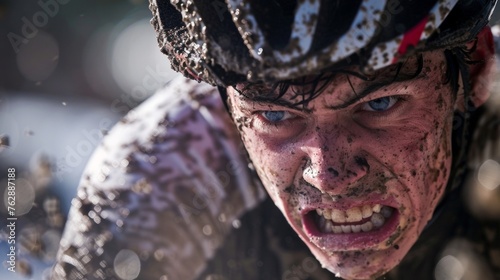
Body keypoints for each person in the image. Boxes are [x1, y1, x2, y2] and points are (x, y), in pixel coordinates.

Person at [52, 0, 500, 279]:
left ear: (477, 68)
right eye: (275, 115)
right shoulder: (157, 179)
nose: (328, 175)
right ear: (223, 105)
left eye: (379, 105)